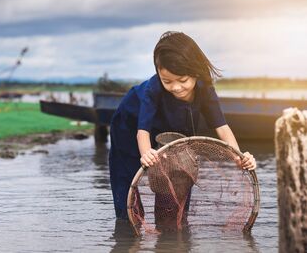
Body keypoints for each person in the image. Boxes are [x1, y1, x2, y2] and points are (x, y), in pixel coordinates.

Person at [109, 31, 257, 220]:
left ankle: (171, 233)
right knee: (127, 181)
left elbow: (222, 127)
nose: (176, 87)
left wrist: (238, 156)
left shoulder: (205, 90)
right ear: (159, 74)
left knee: (177, 176)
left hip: (171, 127)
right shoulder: (153, 90)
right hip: (129, 127)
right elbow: (142, 131)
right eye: (167, 81)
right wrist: (146, 153)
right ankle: (127, 225)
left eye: (183, 80)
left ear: (196, 72)